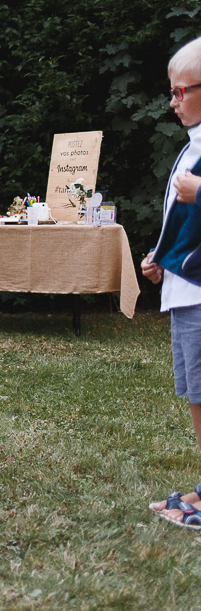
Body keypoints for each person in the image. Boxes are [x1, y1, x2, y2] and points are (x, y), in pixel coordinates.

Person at [143, 35, 201, 528]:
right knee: (197, 395)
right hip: (186, 290)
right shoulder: (192, 147)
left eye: (181, 91)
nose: (173, 101)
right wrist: (164, 258)